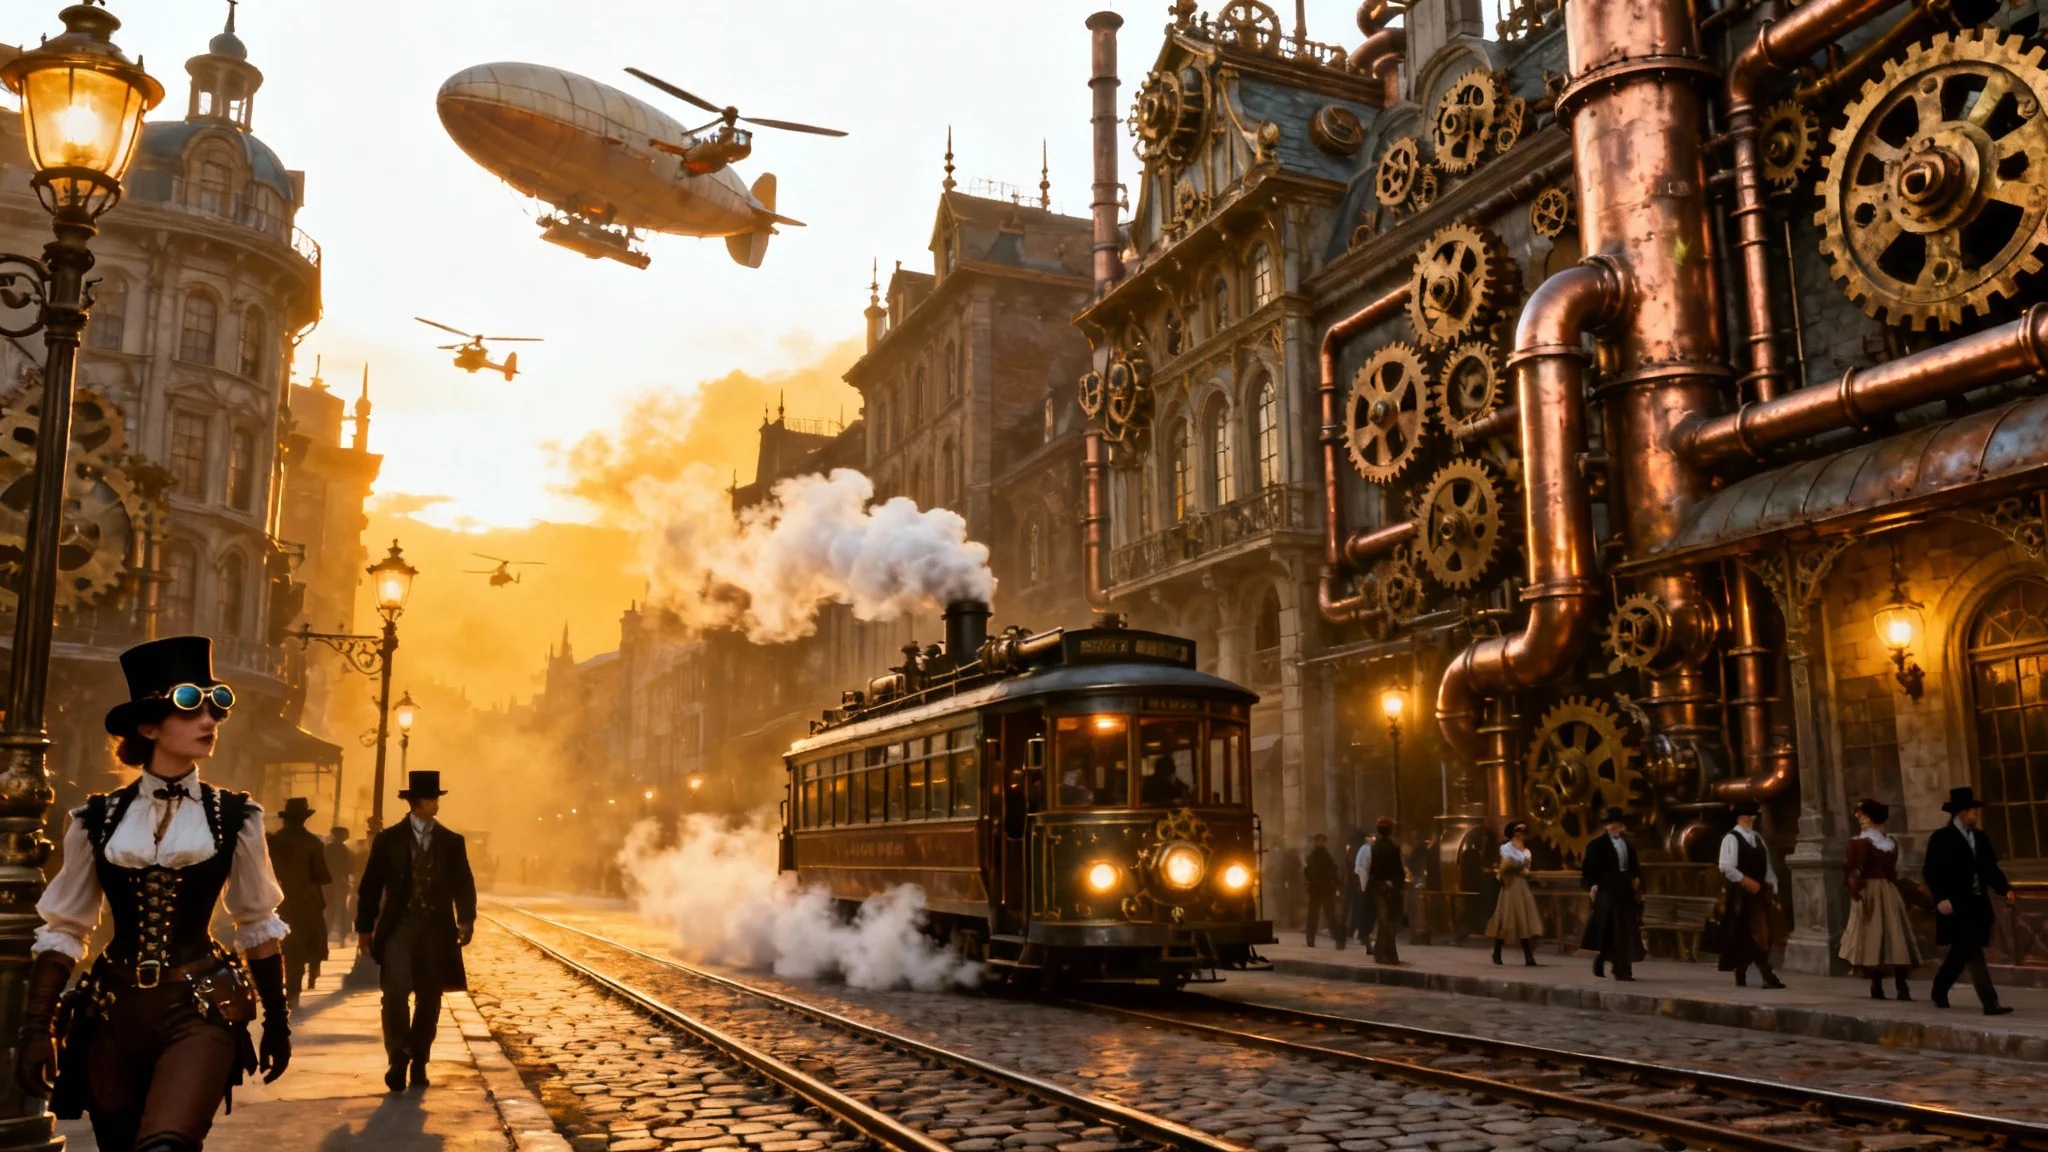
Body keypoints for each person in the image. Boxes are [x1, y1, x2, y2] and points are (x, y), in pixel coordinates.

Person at [14, 636, 293, 1152]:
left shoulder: (236, 817)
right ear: (148, 726)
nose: (208, 721)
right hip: (112, 1013)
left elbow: (257, 922)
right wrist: (37, 1026)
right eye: (190, 708)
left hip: (201, 1006)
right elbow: (66, 927)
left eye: (215, 708)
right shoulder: (95, 819)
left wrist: (278, 1021)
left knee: (165, 1146)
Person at [356, 770, 479, 1090]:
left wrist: (466, 919)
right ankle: (398, 1057)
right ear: (416, 802)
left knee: (429, 996)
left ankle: (419, 1058)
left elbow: (464, 883)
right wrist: (364, 929)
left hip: (437, 928)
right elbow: (370, 886)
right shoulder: (389, 841)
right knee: (394, 992)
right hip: (400, 926)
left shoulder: (452, 842)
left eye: (437, 798)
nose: (436, 804)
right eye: (431, 798)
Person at [1923, 786, 2014, 1016]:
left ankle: (1939, 988)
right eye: (1973, 811)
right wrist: (1940, 898)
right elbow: (1931, 871)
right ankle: (1990, 1002)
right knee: (1971, 950)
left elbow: (1991, 868)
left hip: (1977, 903)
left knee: (1962, 951)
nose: (1976, 815)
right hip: (1955, 903)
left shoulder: (1980, 838)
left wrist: (2005, 889)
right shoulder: (1942, 838)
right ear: (1962, 812)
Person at [1840, 798, 1921, 1000]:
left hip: (1888, 890)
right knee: (1874, 938)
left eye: (1865, 817)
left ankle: (1901, 985)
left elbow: (1894, 871)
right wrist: (1856, 890)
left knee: (1896, 937)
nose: (1861, 820)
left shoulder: (1889, 842)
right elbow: (1852, 870)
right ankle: (1877, 986)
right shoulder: (1858, 843)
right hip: (1870, 892)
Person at [266, 798, 332, 1004]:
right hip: (304, 901)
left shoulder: (272, 841)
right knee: (300, 946)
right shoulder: (313, 842)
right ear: (305, 819)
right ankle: (294, 990)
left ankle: (273, 988)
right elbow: (321, 876)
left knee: (273, 947)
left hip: (274, 900)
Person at [1717, 799, 1786, 988]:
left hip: (1759, 894)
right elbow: (1725, 866)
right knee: (1747, 933)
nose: (1752, 819)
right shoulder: (1731, 838)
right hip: (1741, 894)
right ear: (1741, 817)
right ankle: (1759, 974)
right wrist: (1745, 881)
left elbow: (1767, 865)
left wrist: (1772, 885)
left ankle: (1760, 974)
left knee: (1762, 933)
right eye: (1749, 816)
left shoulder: (1757, 838)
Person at [1579, 807, 1644, 981]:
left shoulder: (1627, 845)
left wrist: (1636, 880)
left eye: (1617, 823)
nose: (1614, 827)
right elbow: (1588, 869)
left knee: (1625, 930)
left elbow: (1633, 866)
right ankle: (1619, 968)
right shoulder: (1597, 845)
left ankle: (1619, 966)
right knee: (1613, 929)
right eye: (1610, 824)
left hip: (1624, 891)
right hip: (1607, 890)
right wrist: (1592, 885)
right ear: (1606, 826)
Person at [1486, 820, 1543, 966]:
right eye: (1518, 830)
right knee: (1505, 919)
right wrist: (1516, 867)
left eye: (1524, 830)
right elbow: (1507, 864)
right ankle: (1497, 951)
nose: (1521, 833)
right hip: (1510, 885)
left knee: (1524, 919)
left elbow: (1525, 867)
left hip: (1521, 885)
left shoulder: (1526, 851)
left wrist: (1523, 869)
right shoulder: (1506, 848)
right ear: (1512, 832)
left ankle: (1528, 956)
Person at [1358, 816, 1408, 964]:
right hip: (1387, 889)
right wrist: (1397, 885)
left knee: (1385, 921)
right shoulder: (1392, 848)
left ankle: (1385, 953)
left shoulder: (1373, 847)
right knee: (1388, 921)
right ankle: (1383, 953)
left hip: (1378, 888)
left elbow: (1368, 870)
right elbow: (1398, 871)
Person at [1302, 834, 1342, 947]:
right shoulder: (1324, 856)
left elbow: (1308, 873)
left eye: (1321, 841)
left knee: (1322, 915)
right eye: (1319, 841)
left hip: (1320, 889)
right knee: (1324, 915)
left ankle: (1313, 939)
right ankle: (1335, 938)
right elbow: (1332, 871)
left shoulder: (1315, 856)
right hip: (1322, 889)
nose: (1320, 843)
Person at [323, 826, 357, 944]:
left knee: (328, 909)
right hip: (340, 883)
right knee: (341, 909)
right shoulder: (346, 850)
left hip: (328, 883)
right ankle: (343, 935)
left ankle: (325, 934)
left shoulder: (327, 849)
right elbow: (351, 867)